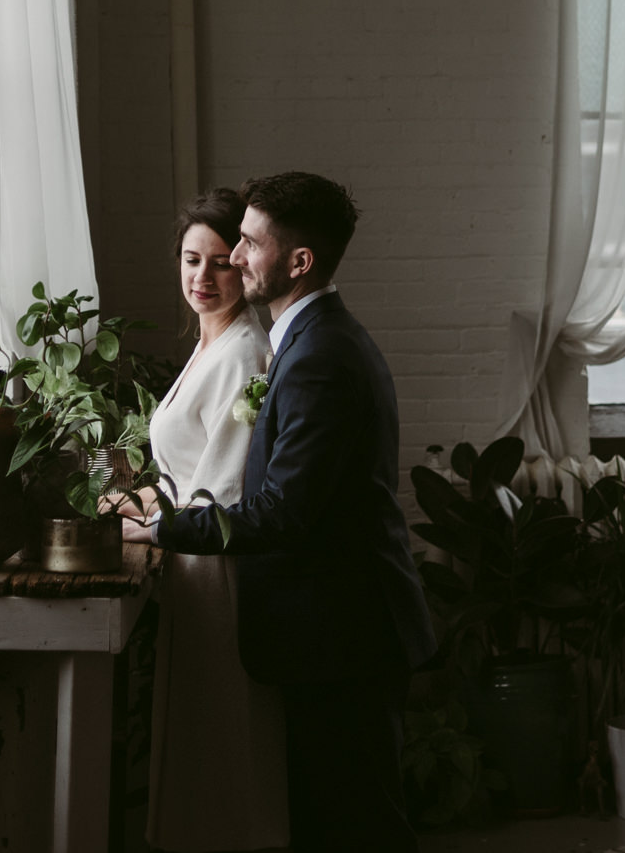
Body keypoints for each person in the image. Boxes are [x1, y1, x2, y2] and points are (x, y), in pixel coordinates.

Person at [132, 171, 435, 853]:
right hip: (330, 627)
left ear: (299, 262)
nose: (234, 258)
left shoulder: (319, 354)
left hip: (344, 631)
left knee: (360, 825)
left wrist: (160, 525)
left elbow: (283, 512)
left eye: (247, 244)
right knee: (336, 820)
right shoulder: (311, 339)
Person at [133, 187, 291, 851]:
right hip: (189, 568)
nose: (203, 276)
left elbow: (224, 490)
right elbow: (188, 467)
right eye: (191, 259)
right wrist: (142, 499)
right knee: (200, 745)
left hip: (218, 573)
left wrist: (150, 522)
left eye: (221, 261)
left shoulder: (242, 354)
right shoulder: (208, 344)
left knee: (224, 745)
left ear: (245, 268)